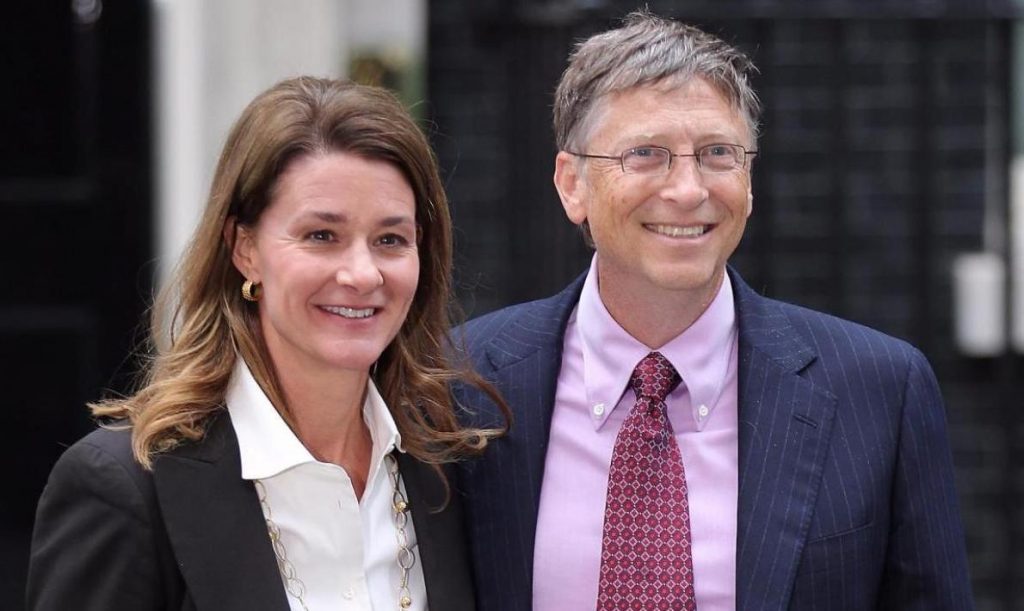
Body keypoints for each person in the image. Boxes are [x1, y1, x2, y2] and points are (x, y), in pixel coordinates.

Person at [452, 10, 974, 611]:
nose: (688, 190)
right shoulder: (462, 380)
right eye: (645, 154)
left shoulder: (880, 391)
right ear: (573, 184)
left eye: (717, 153)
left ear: (748, 179)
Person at [27, 77, 506, 611]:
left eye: (390, 240)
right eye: (321, 236)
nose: (362, 273)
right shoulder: (126, 487)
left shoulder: (454, 465)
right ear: (245, 249)